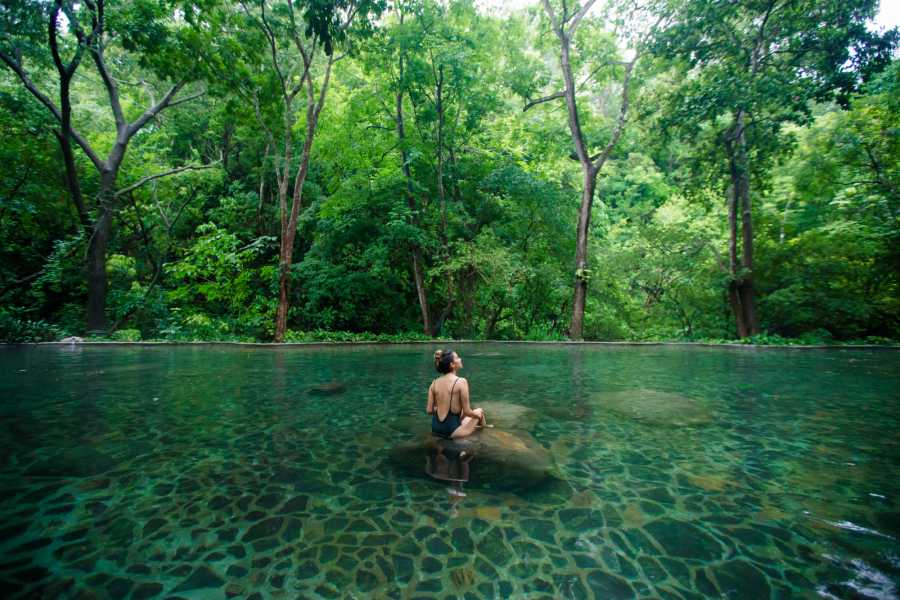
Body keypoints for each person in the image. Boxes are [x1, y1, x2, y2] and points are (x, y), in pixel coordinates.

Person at [426, 349, 488, 439]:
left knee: (460, 411)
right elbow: (467, 411)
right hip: (451, 431)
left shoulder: (434, 383)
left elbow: (429, 411)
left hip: (435, 429)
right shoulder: (461, 381)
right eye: (457, 358)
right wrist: (477, 415)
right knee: (479, 412)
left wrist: (441, 408)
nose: (460, 359)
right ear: (452, 365)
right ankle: (484, 438)